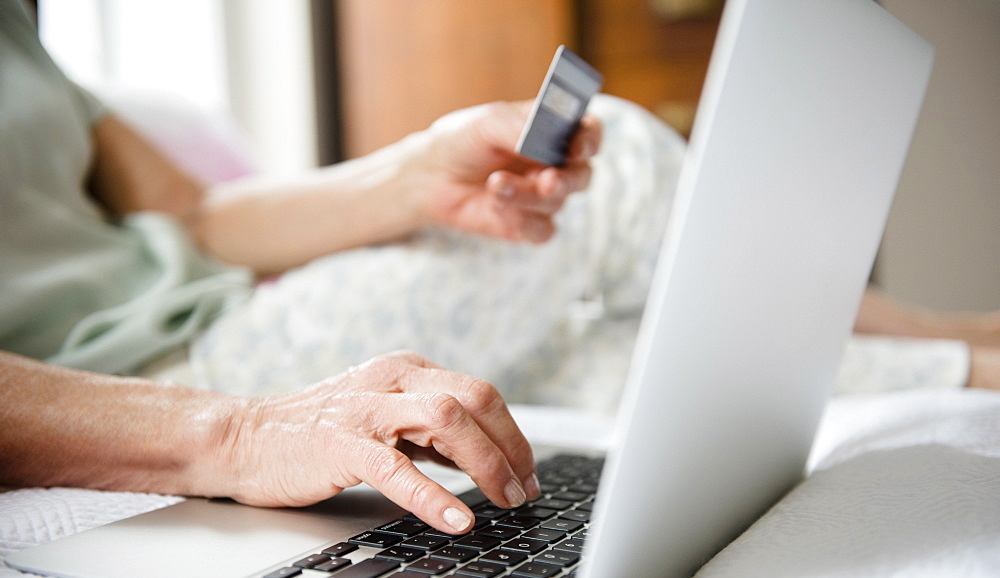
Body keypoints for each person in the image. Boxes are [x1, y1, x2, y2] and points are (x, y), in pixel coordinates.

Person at [2, 0, 998, 536]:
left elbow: (191, 213)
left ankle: (968, 367)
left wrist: (411, 176)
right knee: (623, 163)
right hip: (129, 387)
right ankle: (956, 334)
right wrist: (237, 431)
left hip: (214, 308)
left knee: (628, 373)